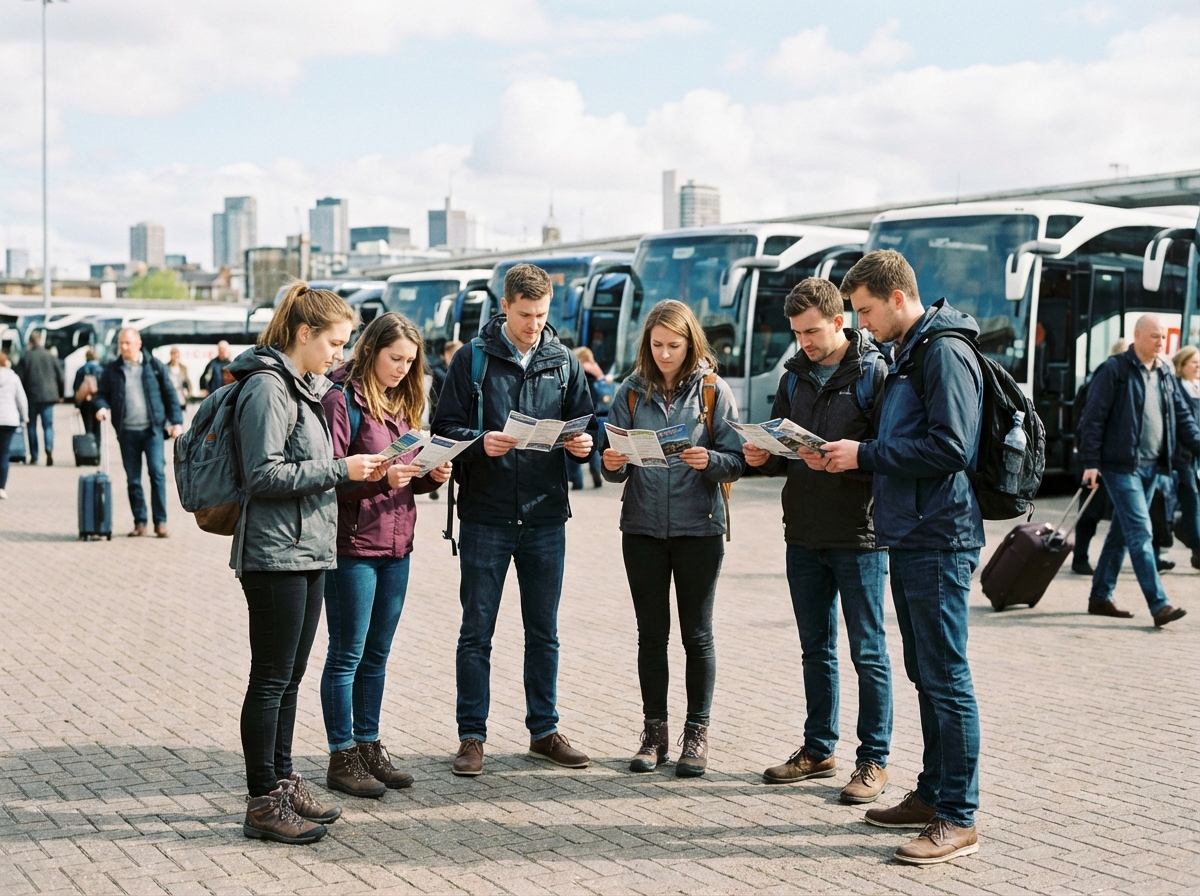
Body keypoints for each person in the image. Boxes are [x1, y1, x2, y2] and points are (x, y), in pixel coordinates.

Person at [814, 249, 984, 866]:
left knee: (947, 678)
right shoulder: (911, 352)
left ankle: (958, 816)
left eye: (864, 311)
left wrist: (865, 454)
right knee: (926, 673)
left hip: (938, 535)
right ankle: (933, 794)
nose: (860, 324)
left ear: (896, 296)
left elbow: (952, 446)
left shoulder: (943, 352)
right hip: (912, 533)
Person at [228, 282, 385, 844]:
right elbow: (262, 474)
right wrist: (343, 469)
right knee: (270, 679)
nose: (341, 354)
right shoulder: (267, 388)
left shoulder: (305, 388)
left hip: (308, 549)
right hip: (274, 554)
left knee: (290, 678)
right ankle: (261, 801)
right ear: (302, 334)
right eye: (335, 343)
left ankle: (282, 780)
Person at [431, 263, 596, 777]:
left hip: (545, 516)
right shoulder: (472, 358)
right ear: (504, 307)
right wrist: (481, 442)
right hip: (486, 515)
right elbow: (444, 429)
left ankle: (544, 732)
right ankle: (471, 737)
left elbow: (586, 424)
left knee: (544, 632)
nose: (533, 325)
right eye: (525, 315)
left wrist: (584, 445)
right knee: (476, 632)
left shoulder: (563, 360)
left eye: (541, 315)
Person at [743, 278, 893, 804]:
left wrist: (848, 460)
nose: (803, 342)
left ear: (839, 321)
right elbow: (785, 452)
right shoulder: (793, 376)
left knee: (868, 651)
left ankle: (873, 760)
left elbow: (889, 454)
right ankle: (818, 748)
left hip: (859, 533)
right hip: (803, 531)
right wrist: (761, 458)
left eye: (811, 332)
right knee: (816, 649)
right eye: (797, 333)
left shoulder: (874, 373)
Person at [602, 299, 744, 777]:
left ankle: (696, 733)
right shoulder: (630, 391)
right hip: (641, 528)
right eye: (657, 345)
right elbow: (613, 468)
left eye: (674, 345)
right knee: (651, 635)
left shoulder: (713, 390)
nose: (664, 354)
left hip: (699, 528)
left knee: (697, 635)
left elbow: (736, 460)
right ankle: (654, 734)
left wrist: (711, 460)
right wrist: (611, 463)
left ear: (691, 344)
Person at [319, 313, 452, 798]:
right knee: (347, 654)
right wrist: (379, 480)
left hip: (397, 544)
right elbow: (328, 477)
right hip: (352, 546)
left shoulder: (400, 400)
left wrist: (429, 475)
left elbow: (403, 476)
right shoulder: (340, 399)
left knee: (377, 654)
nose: (402, 368)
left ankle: (369, 743)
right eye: (395, 358)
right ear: (372, 349)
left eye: (410, 361)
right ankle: (341, 755)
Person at [1078, 314, 1200, 625]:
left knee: (1121, 533)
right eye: (1155, 336)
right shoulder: (1114, 369)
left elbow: (1183, 418)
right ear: (1137, 336)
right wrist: (1091, 462)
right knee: (1141, 532)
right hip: (1122, 467)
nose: (1161, 342)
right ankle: (1159, 605)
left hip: (1152, 467)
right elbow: (1092, 418)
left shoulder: (1165, 373)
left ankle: (1100, 596)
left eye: (1164, 337)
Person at [94, 329, 183, 538]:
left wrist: (176, 422)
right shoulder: (112, 369)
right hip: (127, 432)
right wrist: (102, 407)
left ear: (138, 343)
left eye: (127, 343)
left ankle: (160, 522)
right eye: (121, 343)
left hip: (153, 430)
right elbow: (101, 394)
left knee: (157, 473)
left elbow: (170, 394)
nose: (123, 347)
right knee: (133, 479)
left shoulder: (154, 366)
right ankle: (140, 522)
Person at [1070, 340, 1126, 575]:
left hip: (1110, 458)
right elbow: (1088, 422)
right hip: (1099, 458)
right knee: (1090, 511)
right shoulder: (1104, 379)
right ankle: (1080, 556)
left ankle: (1083, 557)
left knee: (1101, 512)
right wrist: (1090, 460)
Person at [14, 332, 63, 466]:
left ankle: (34, 456)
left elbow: (19, 378)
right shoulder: (50, 356)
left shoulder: (26, 356)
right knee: (48, 426)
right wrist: (61, 394)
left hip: (31, 396)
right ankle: (49, 449)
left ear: (30, 342)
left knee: (32, 426)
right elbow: (60, 376)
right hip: (48, 397)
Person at [1172, 345, 1200, 570]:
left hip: (1196, 455)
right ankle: (1197, 547)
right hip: (1183, 455)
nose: (1198, 366)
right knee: (1191, 499)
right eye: (1194, 362)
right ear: (1181, 366)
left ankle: (1187, 534)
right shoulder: (1177, 389)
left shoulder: (1197, 388)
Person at [427, 339, 461, 501]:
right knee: (439, 455)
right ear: (445, 355)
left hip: (454, 419)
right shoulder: (439, 372)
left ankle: (449, 491)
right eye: (453, 354)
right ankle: (433, 486)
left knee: (451, 457)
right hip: (439, 419)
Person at [572, 346, 607, 489]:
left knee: (575, 447)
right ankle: (596, 475)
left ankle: (577, 482)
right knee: (592, 448)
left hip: (580, 415)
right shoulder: (596, 370)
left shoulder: (578, 370)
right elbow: (603, 394)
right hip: (597, 415)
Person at [0, 351, 29, 500]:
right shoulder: (13, 377)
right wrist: (25, 417)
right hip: (9, 419)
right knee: (4, 454)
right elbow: (21, 399)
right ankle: (1, 487)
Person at [72, 348, 104, 438]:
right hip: (97, 400)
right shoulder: (100, 369)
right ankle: (97, 444)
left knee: (88, 426)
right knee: (98, 426)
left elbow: (76, 388)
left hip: (84, 401)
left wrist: (77, 406)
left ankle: (89, 444)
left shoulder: (81, 370)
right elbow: (104, 387)